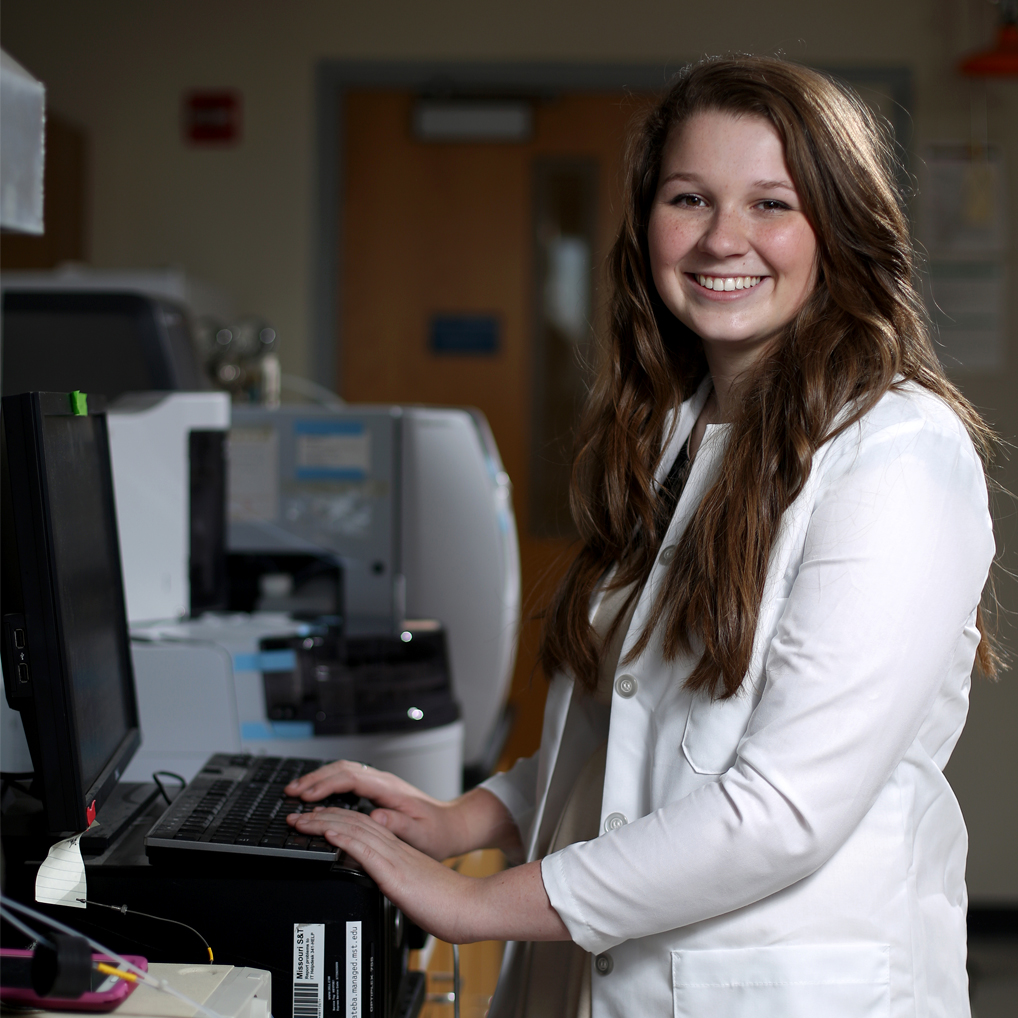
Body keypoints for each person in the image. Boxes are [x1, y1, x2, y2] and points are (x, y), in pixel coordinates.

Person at [285, 55, 996, 1017]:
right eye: (689, 198)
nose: (722, 239)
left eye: (772, 203)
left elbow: (782, 813)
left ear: (839, 226)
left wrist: (474, 903)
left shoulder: (897, 452)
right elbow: (634, 733)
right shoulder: (675, 429)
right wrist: (467, 820)